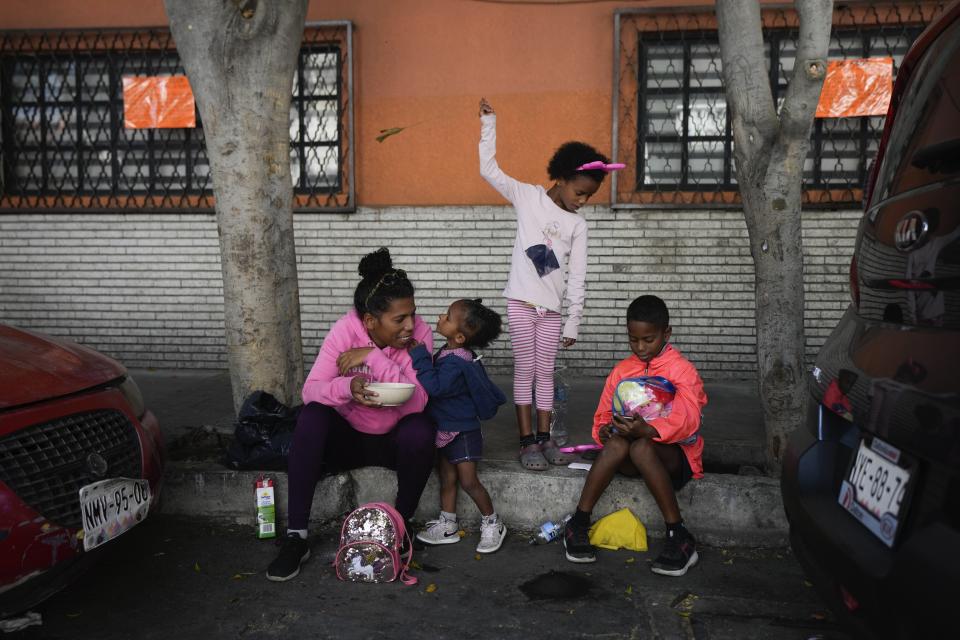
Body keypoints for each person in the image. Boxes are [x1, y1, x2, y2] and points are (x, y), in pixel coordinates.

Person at [266, 247, 436, 582]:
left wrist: (372, 357)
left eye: (412, 314)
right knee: (312, 415)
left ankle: (400, 527)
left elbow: (419, 399)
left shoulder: (421, 335)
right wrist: (348, 387)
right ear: (371, 321)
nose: (410, 326)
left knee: (422, 427)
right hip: (349, 439)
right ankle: (297, 536)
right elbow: (311, 390)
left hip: (394, 440)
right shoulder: (344, 331)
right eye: (399, 319)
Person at [478, 97, 624, 471]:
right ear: (560, 179)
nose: (583, 201)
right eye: (579, 192)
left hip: (552, 311)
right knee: (525, 369)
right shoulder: (527, 197)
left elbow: (578, 275)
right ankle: (526, 442)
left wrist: (573, 319)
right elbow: (489, 169)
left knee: (546, 371)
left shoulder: (579, 226)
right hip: (522, 303)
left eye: (589, 196)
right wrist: (489, 123)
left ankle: (545, 439)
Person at [563, 295, 707, 577]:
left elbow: (689, 418)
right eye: (633, 340)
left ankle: (679, 536)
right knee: (617, 443)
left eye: (649, 340)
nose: (640, 348)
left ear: (666, 333)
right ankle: (578, 523)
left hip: (672, 459)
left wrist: (650, 430)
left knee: (642, 446)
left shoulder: (682, 371)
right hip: (628, 455)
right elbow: (603, 414)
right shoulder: (622, 371)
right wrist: (604, 430)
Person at [408, 299, 508, 553]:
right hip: (445, 428)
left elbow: (436, 387)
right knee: (447, 478)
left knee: (468, 481)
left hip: (462, 431)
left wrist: (419, 356)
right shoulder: (449, 352)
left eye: (448, 317)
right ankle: (448, 524)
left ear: (460, 337)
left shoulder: (457, 361)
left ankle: (493, 522)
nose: (442, 316)